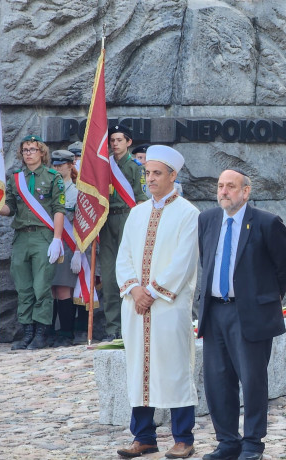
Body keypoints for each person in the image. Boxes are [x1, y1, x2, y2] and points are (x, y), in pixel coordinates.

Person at [197, 169, 286, 460]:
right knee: (217, 381)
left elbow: (284, 266)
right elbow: (207, 259)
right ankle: (227, 441)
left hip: (249, 315)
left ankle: (252, 443)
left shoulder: (266, 222)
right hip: (215, 312)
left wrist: (265, 297)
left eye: (231, 186)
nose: (224, 191)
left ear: (245, 192)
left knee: (252, 381)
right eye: (220, 186)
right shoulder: (208, 220)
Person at [115, 145, 199, 459]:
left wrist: (152, 291)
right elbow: (123, 258)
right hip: (135, 306)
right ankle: (144, 436)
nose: (150, 179)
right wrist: (135, 290)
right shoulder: (136, 214)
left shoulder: (189, 213)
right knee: (138, 368)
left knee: (175, 367)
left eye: (156, 173)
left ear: (172, 176)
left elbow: (184, 261)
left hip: (168, 306)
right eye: (147, 173)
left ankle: (183, 437)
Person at [0, 135, 65, 350]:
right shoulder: (16, 178)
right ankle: (27, 332)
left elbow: (58, 209)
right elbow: (10, 208)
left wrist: (57, 239)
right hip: (21, 237)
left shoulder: (53, 177)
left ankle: (41, 333)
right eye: (25, 150)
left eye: (33, 149)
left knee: (41, 287)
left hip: (43, 237)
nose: (28, 153)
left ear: (42, 153)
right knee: (24, 287)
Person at [100, 125, 147, 341]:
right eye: (112, 140)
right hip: (108, 220)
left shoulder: (136, 167)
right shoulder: (104, 165)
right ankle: (113, 328)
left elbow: (140, 199)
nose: (115, 144)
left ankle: (130, 325)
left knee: (130, 272)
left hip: (128, 218)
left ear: (128, 142)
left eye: (119, 140)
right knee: (109, 276)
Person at [49, 149, 82, 347]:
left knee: (63, 289)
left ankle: (66, 333)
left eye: (62, 164)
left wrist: (78, 251)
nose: (58, 167)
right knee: (49, 289)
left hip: (68, 246)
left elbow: (80, 223)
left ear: (71, 165)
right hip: (50, 244)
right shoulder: (49, 189)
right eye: (55, 164)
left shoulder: (77, 191)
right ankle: (49, 331)